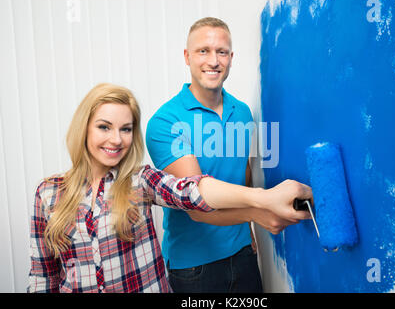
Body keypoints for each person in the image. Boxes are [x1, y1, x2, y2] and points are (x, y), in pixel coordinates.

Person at [27, 83, 312, 293]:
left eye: (126, 129)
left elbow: (194, 191)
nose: (116, 139)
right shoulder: (48, 193)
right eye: (104, 127)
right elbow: (43, 277)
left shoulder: (140, 181)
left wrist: (264, 199)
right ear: (84, 127)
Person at [146, 17, 309, 293]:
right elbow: (195, 204)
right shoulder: (164, 122)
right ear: (187, 57)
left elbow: (242, 172)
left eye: (221, 52)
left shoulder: (243, 112)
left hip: (243, 254)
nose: (214, 61)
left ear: (231, 58)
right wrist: (257, 213)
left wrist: (248, 228)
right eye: (203, 51)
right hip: (193, 267)